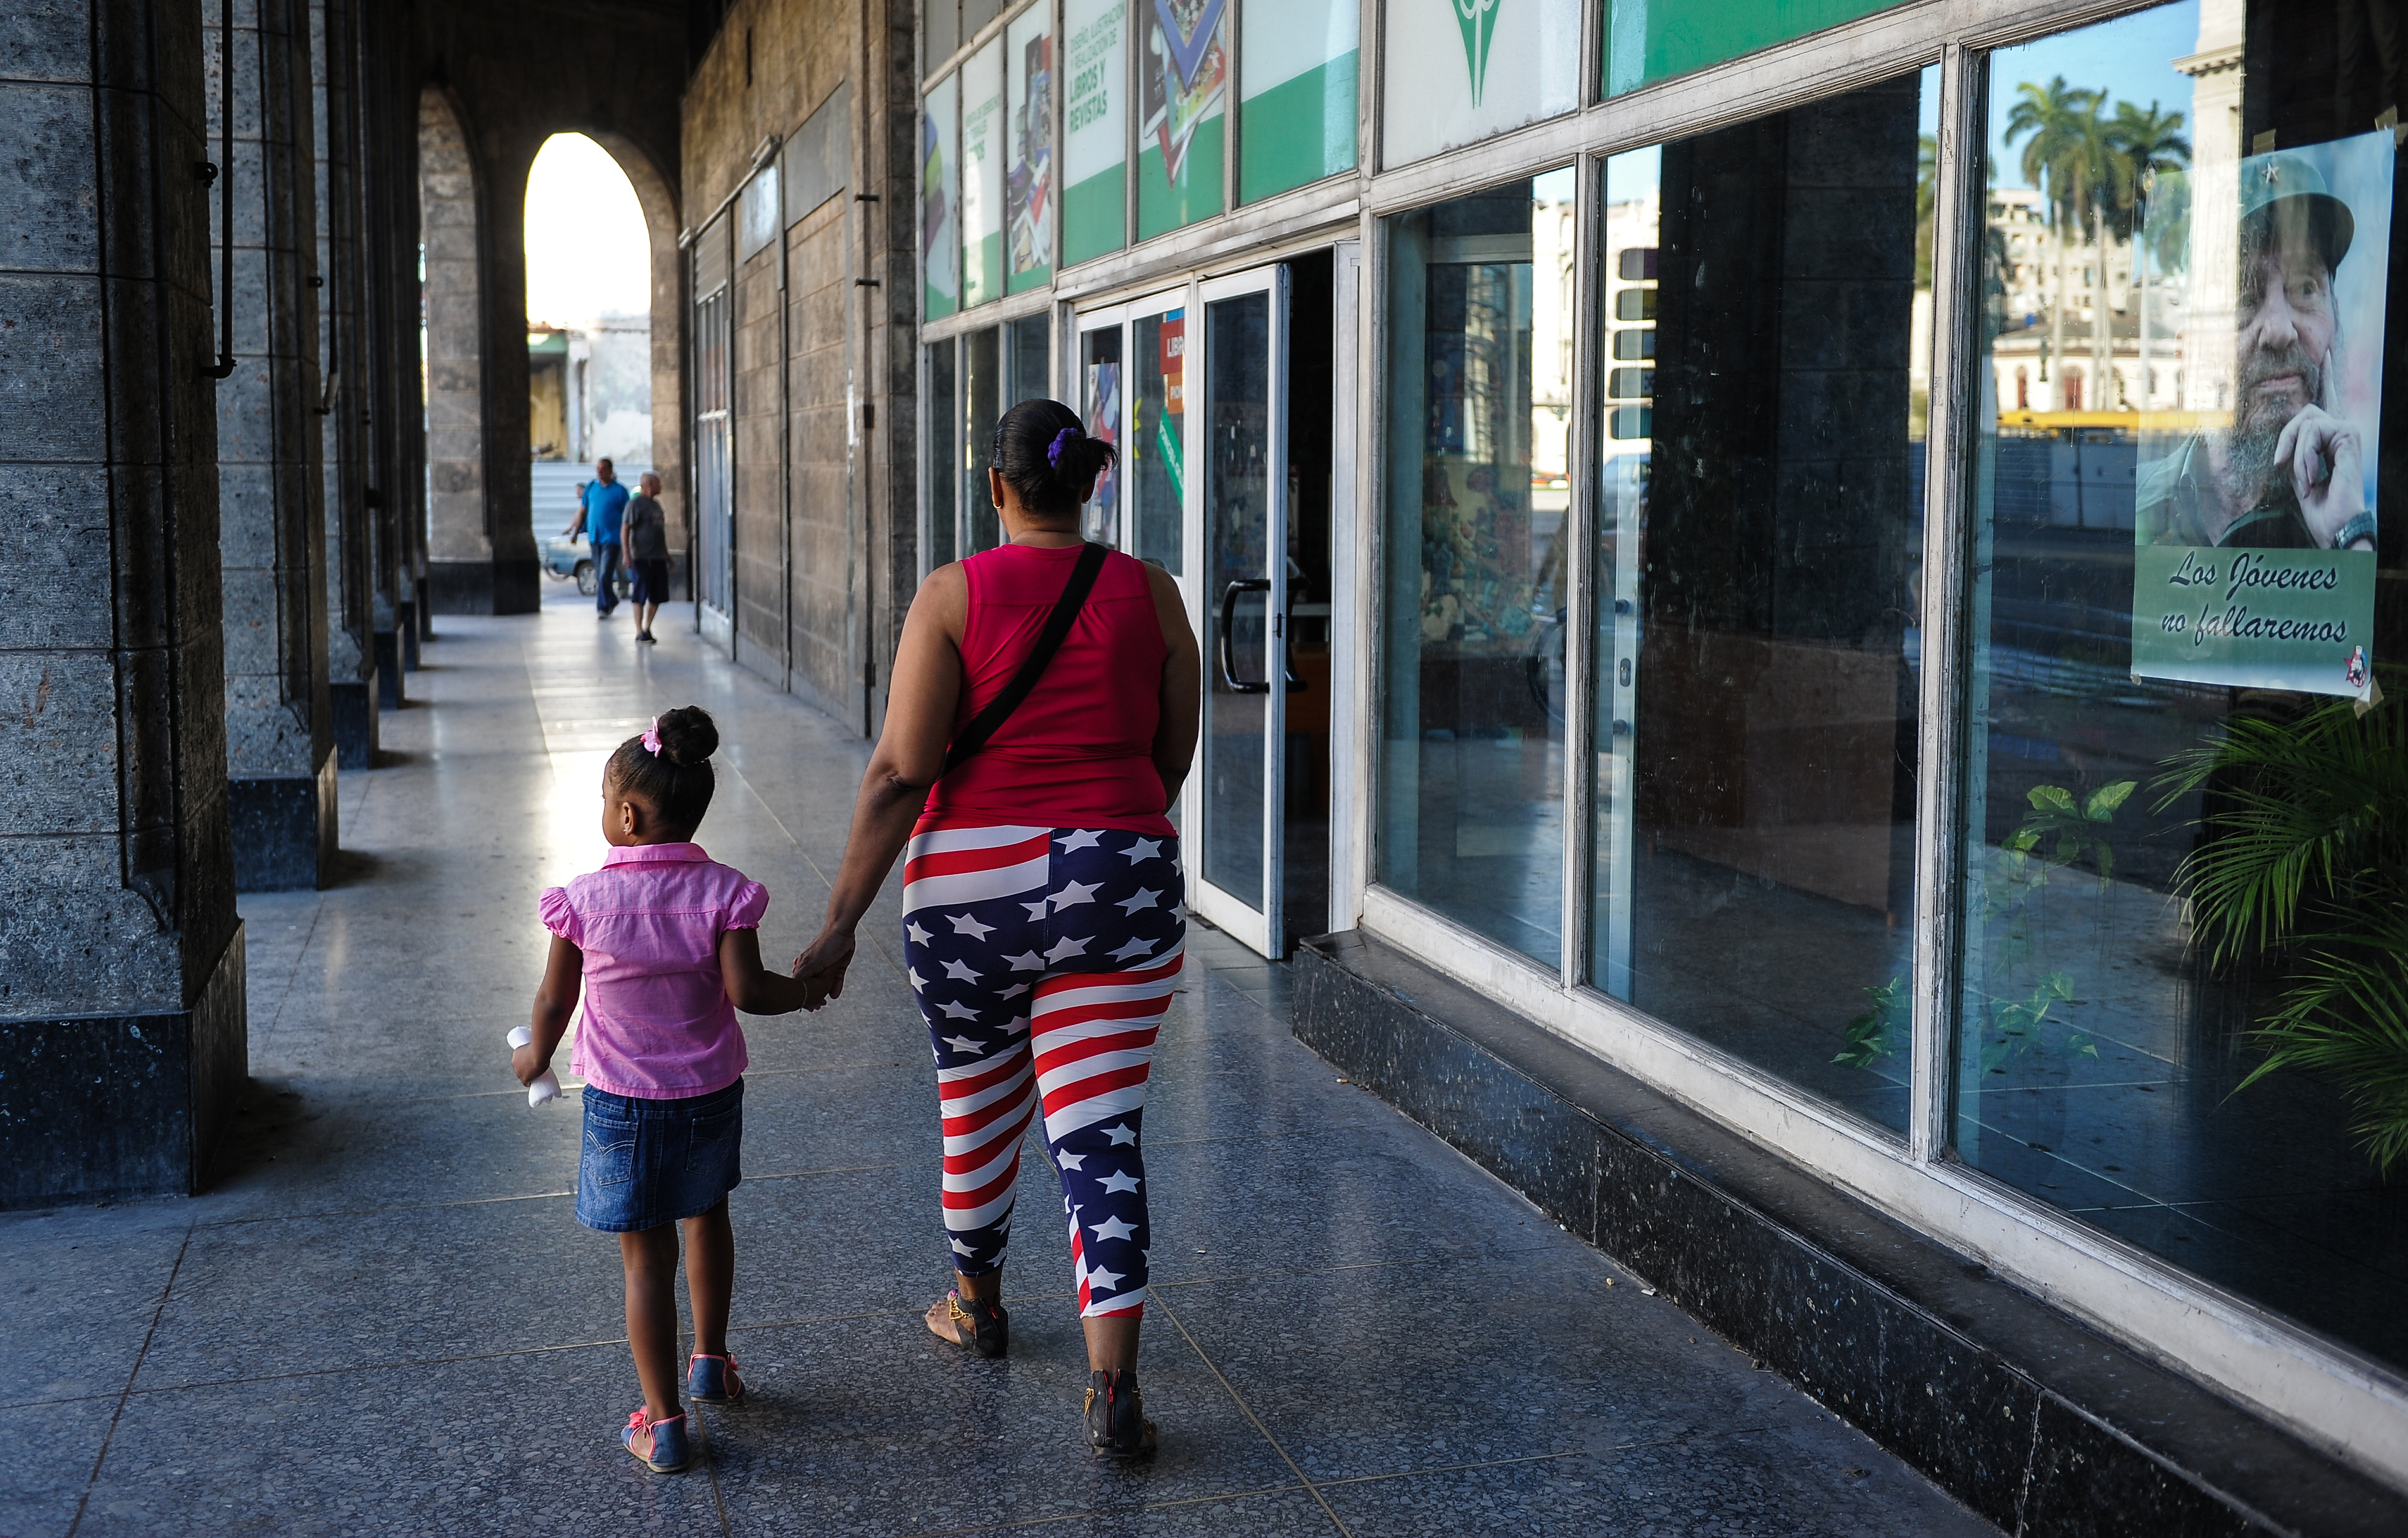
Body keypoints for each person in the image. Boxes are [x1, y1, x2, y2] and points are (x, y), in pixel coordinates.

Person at [792, 399, 1200, 1460]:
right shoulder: (1154, 594)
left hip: (968, 890)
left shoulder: (952, 594)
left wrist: (841, 919)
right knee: (1098, 1127)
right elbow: (1170, 756)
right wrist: (1103, 828)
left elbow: (898, 771)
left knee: (976, 1095)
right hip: (1123, 877)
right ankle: (1113, 1385)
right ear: (1092, 485)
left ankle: (975, 1304)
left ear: (996, 488)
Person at [517, 706, 818, 1473]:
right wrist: (807, 992)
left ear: (626, 812)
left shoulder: (582, 903)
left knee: (643, 1263)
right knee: (706, 1219)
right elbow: (747, 991)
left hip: (621, 1104)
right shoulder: (724, 894)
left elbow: (554, 1003)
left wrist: (534, 1058)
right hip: (708, 1094)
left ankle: (664, 1422)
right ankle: (711, 1361)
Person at [2140, 152, 2374, 553]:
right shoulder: (2140, 509)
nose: (2280, 331)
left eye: (2305, 288)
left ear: (2334, 315)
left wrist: (2348, 537)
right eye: (2243, 296)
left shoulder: (2358, 520)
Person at [626, 472, 671, 644]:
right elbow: (626, 529)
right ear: (650, 484)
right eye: (658, 483)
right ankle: (639, 631)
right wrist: (628, 554)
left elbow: (660, 533)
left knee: (657, 596)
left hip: (658, 557)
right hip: (642, 558)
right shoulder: (635, 505)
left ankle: (648, 628)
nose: (661, 487)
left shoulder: (656, 505)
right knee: (640, 594)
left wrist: (667, 556)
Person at [584, 458, 632, 616]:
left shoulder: (620, 491)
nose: (600, 472)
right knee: (599, 574)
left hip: (612, 538)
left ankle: (604, 607)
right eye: (598, 469)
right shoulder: (591, 488)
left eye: (603, 469)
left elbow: (627, 516)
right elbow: (583, 510)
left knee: (605, 574)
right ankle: (608, 602)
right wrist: (575, 531)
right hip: (594, 537)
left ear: (611, 471)